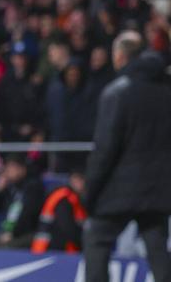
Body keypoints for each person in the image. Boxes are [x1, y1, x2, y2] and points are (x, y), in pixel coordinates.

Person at [83, 31, 171, 282]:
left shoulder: (117, 92)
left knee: (96, 239)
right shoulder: (166, 91)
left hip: (120, 189)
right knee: (157, 248)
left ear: (120, 56)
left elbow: (105, 149)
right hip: (158, 190)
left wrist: (90, 192)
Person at [0, 155, 46, 249]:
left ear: (22, 169)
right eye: (7, 168)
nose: (7, 172)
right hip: (10, 230)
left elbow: (28, 215)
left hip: (29, 232)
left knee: (6, 247)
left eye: (11, 168)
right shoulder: (11, 187)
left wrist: (13, 233)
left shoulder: (34, 187)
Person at [31, 171, 87, 254]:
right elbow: (67, 227)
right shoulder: (64, 199)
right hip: (51, 249)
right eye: (77, 180)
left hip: (50, 248)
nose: (79, 184)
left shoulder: (74, 198)